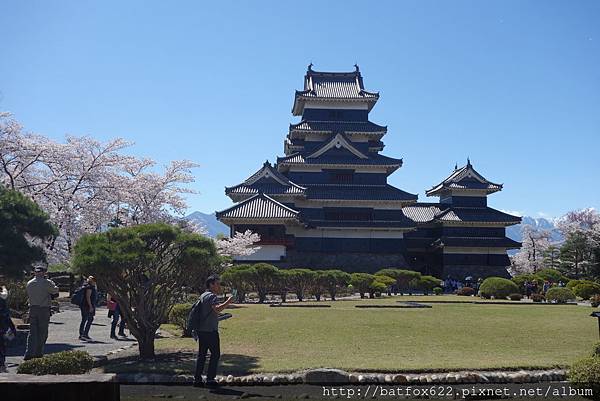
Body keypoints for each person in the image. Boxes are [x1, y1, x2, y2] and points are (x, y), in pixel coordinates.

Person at [193, 275, 233, 388]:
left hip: (201, 330)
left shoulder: (203, 295)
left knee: (202, 355)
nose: (219, 286)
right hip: (211, 331)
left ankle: (197, 379)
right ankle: (210, 379)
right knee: (215, 354)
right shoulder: (212, 297)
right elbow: (217, 309)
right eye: (217, 284)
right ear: (211, 284)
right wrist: (228, 301)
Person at [24, 266, 59, 360]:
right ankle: (38, 352)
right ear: (44, 272)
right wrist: (52, 283)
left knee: (32, 332)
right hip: (43, 308)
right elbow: (55, 292)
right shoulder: (46, 283)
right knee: (42, 332)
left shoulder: (29, 283)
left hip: (32, 308)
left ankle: (29, 352)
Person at [0, 286, 16, 373]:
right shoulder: (2, 298)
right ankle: (1, 365)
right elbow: (4, 294)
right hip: (2, 326)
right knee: (2, 346)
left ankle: (2, 365)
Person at [79, 276, 98, 341]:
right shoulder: (89, 288)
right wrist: (90, 306)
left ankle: (82, 334)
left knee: (85, 319)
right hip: (86, 306)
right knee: (88, 319)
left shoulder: (90, 287)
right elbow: (88, 297)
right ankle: (84, 334)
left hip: (85, 305)